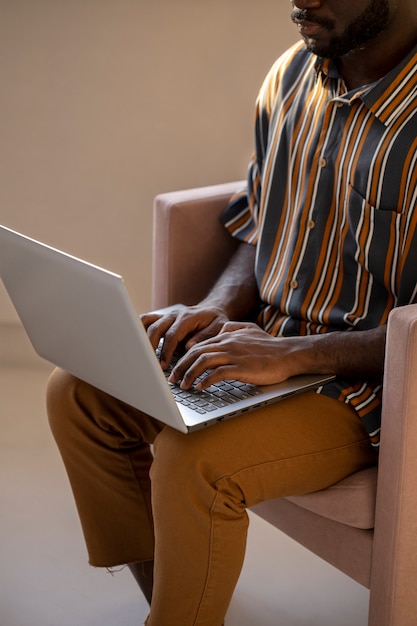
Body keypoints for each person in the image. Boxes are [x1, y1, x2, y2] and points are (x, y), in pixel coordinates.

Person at [46, 1, 417, 624]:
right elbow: (259, 220)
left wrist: (294, 355)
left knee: (196, 461)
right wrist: (215, 308)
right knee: (79, 393)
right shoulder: (292, 74)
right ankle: (172, 604)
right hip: (260, 339)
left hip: (373, 391)